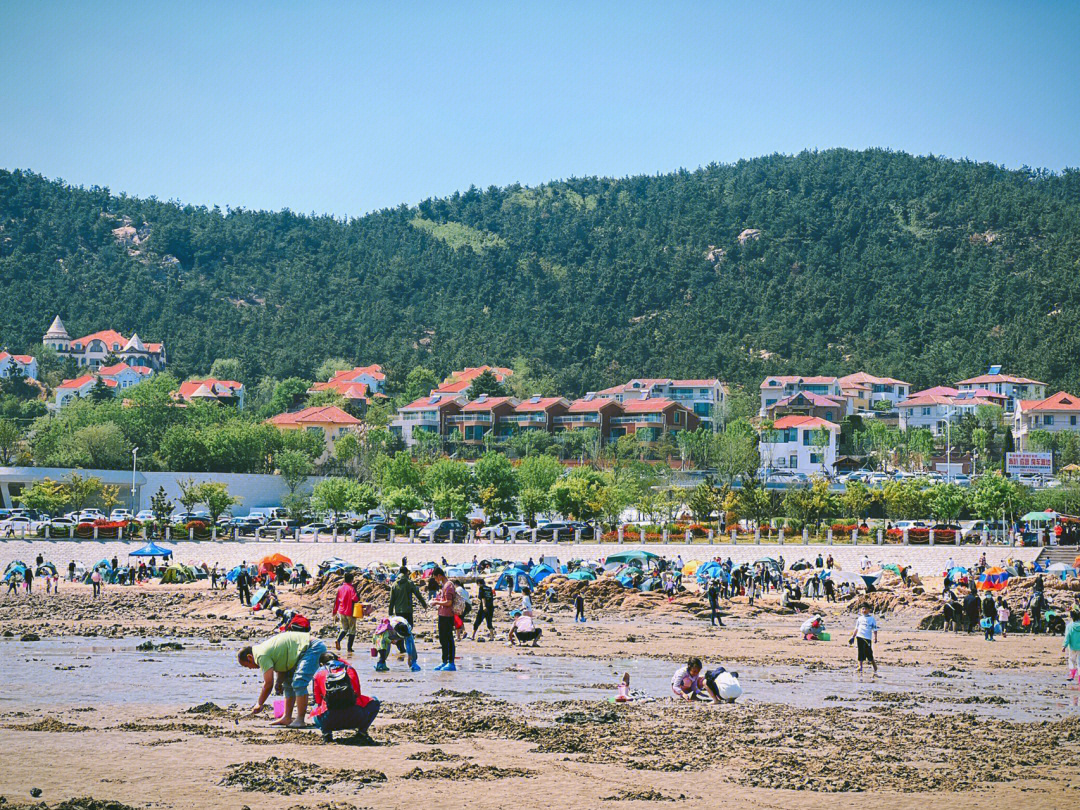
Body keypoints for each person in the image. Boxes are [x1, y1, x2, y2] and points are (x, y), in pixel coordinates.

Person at [238, 629, 327, 728]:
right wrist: (279, 682)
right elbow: (281, 662)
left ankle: (300, 720)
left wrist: (259, 703)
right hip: (300, 652)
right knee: (287, 683)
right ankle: (287, 717)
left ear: (250, 657)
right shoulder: (261, 650)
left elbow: (268, 683)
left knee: (299, 682)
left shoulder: (260, 655)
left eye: (247, 666)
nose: (250, 668)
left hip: (312, 647)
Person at [310, 652, 380, 744]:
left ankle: (327, 733)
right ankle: (362, 732)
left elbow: (318, 700)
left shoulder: (318, 673)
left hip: (329, 720)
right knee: (374, 700)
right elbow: (357, 694)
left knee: (315, 706)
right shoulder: (349, 669)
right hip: (355, 717)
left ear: (322, 664)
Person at [431, 566, 457, 671]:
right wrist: (437, 599)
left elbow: (449, 602)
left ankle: (451, 662)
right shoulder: (444, 586)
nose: (436, 580)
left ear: (439, 576)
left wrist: (436, 602)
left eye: (435, 578)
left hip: (447, 616)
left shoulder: (448, 586)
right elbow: (445, 599)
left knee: (448, 639)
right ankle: (444, 661)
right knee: (443, 639)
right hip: (442, 615)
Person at [849, 604, 879, 676]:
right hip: (859, 637)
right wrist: (853, 636)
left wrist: (875, 637)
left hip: (867, 638)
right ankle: (860, 666)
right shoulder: (860, 618)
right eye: (862, 609)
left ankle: (875, 667)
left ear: (869, 610)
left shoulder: (872, 619)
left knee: (868, 652)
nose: (864, 610)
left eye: (865, 609)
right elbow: (856, 628)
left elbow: (875, 629)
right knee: (860, 651)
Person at [333, 572, 359, 653]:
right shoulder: (351, 588)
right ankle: (349, 648)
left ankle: (338, 640)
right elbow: (355, 599)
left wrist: (334, 611)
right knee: (352, 630)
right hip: (349, 611)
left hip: (341, 611)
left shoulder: (340, 588)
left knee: (344, 629)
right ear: (351, 580)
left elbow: (336, 600)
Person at [1063, 608, 1080, 683]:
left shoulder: (1069, 626)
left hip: (1072, 647)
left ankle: (1072, 675)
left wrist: (1064, 646)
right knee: (1079, 663)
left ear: (1071, 617)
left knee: (1072, 660)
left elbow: (1067, 636)